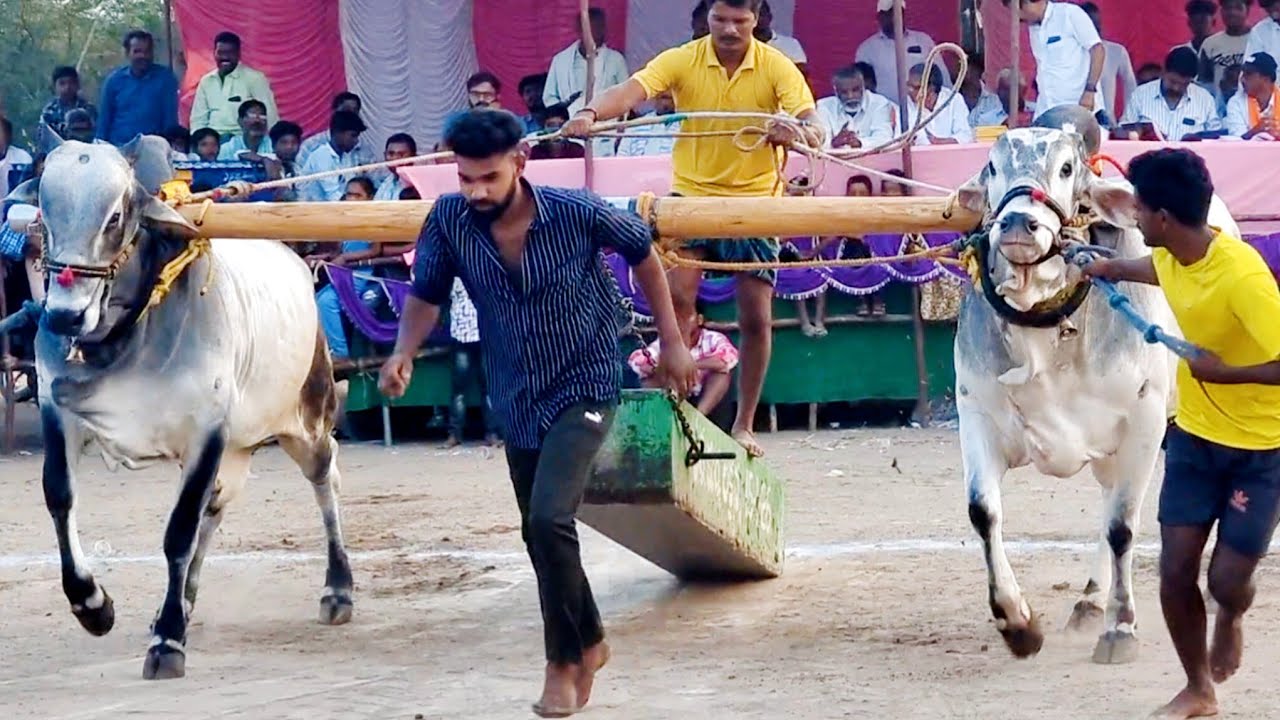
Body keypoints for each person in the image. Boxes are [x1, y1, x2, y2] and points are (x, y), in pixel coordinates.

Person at [378, 109, 695, 717]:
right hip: (515, 392)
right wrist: (403, 352)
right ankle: (594, 639)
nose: (475, 191)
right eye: (464, 178)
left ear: (519, 163)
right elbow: (427, 294)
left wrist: (673, 340)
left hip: (586, 382)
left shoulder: (575, 210)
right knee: (537, 530)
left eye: (487, 178)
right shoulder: (449, 219)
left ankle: (561, 662)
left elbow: (643, 252)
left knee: (550, 519)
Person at [562, 0, 822, 458]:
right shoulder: (683, 58)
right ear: (709, 18)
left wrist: (795, 133)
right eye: (720, 19)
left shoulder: (777, 65)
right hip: (692, 197)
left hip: (756, 203)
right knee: (677, 302)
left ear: (756, 20)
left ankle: (743, 424)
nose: (729, 29)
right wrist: (590, 114)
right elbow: (631, 90)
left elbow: (812, 123)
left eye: (739, 21)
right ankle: (672, 409)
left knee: (756, 319)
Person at [1082, 148, 1280, 720]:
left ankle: (1233, 617)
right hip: (1194, 438)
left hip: (1261, 450)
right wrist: (1107, 267)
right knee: (1173, 571)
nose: (1134, 219)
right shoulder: (1173, 253)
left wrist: (1226, 372)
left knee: (1225, 581)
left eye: (1139, 210)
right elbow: (1156, 269)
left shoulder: (1243, 275)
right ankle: (1199, 689)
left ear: (1163, 217)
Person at [1006, 0, 1108, 124]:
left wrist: (1090, 91)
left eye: (1019, 11)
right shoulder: (1033, 28)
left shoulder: (1069, 14)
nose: (1019, 17)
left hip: (1078, 108)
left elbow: (1097, 50)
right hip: (1046, 109)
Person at [628, 303, 739, 416]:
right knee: (649, 378)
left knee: (722, 375)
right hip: (675, 391)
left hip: (705, 396)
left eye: (687, 317)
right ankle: (667, 416)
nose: (681, 322)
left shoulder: (713, 338)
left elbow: (727, 360)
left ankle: (699, 417)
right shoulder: (665, 342)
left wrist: (688, 365)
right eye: (677, 318)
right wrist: (662, 368)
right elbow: (637, 360)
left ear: (699, 320)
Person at [855, 0, 949, 105]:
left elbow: (942, 76)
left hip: (921, 110)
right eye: (889, 13)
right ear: (879, 17)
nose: (894, 17)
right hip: (885, 113)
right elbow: (862, 86)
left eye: (898, 12)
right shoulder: (867, 49)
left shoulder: (923, 41)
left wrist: (947, 101)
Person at [189, 31, 279, 138]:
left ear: (239, 54)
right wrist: (198, 143)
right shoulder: (206, 81)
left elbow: (270, 116)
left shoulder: (255, 79)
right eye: (220, 52)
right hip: (212, 142)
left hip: (243, 141)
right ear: (214, 53)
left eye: (230, 52)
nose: (225, 57)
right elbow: (198, 120)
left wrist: (270, 144)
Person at [97, 29, 179, 145]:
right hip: (119, 147)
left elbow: (170, 121)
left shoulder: (165, 79)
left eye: (147, 51)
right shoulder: (114, 80)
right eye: (137, 51)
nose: (143, 56)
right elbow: (104, 121)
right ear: (127, 53)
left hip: (153, 149)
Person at [1120, 47, 1223, 140]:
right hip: (1150, 158)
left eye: (1184, 84)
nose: (1176, 88)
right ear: (1163, 71)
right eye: (1172, 81)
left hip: (1190, 159)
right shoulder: (1140, 94)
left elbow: (1215, 137)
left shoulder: (1204, 99)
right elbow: (1122, 131)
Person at [814, 64, 898, 151]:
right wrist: (833, 143)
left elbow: (884, 139)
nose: (850, 96)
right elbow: (818, 142)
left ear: (864, 87)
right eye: (844, 92)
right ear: (835, 91)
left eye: (855, 90)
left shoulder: (879, 103)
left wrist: (859, 143)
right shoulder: (824, 106)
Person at [1081, 2, 1137, 123]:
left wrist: (1126, 118)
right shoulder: (1068, 53)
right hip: (1076, 120)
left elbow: (1130, 85)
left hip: (1106, 122)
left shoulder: (1116, 51)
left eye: (1096, 25)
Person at [904, 63, 975, 145]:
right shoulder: (907, 104)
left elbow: (965, 136)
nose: (909, 91)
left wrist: (940, 142)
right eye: (908, 85)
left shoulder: (954, 100)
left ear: (931, 89)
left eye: (915, 88)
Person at [1200, 0, 1253, 88]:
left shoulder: (1258, 39)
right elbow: (1204, 83)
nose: (1232, 12)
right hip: (1220, 100)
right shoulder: (1209, 44)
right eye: (1227, 8)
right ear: (1221, 12)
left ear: (1247, 11)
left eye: (1238, 7)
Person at [1225, 52, 1280, 138]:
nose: (1242, 79)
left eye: (1248, 74)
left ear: (1266, 79)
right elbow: (1236, 142)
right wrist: (1256, 131)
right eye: (1242, 74)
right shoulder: (1236, 103)